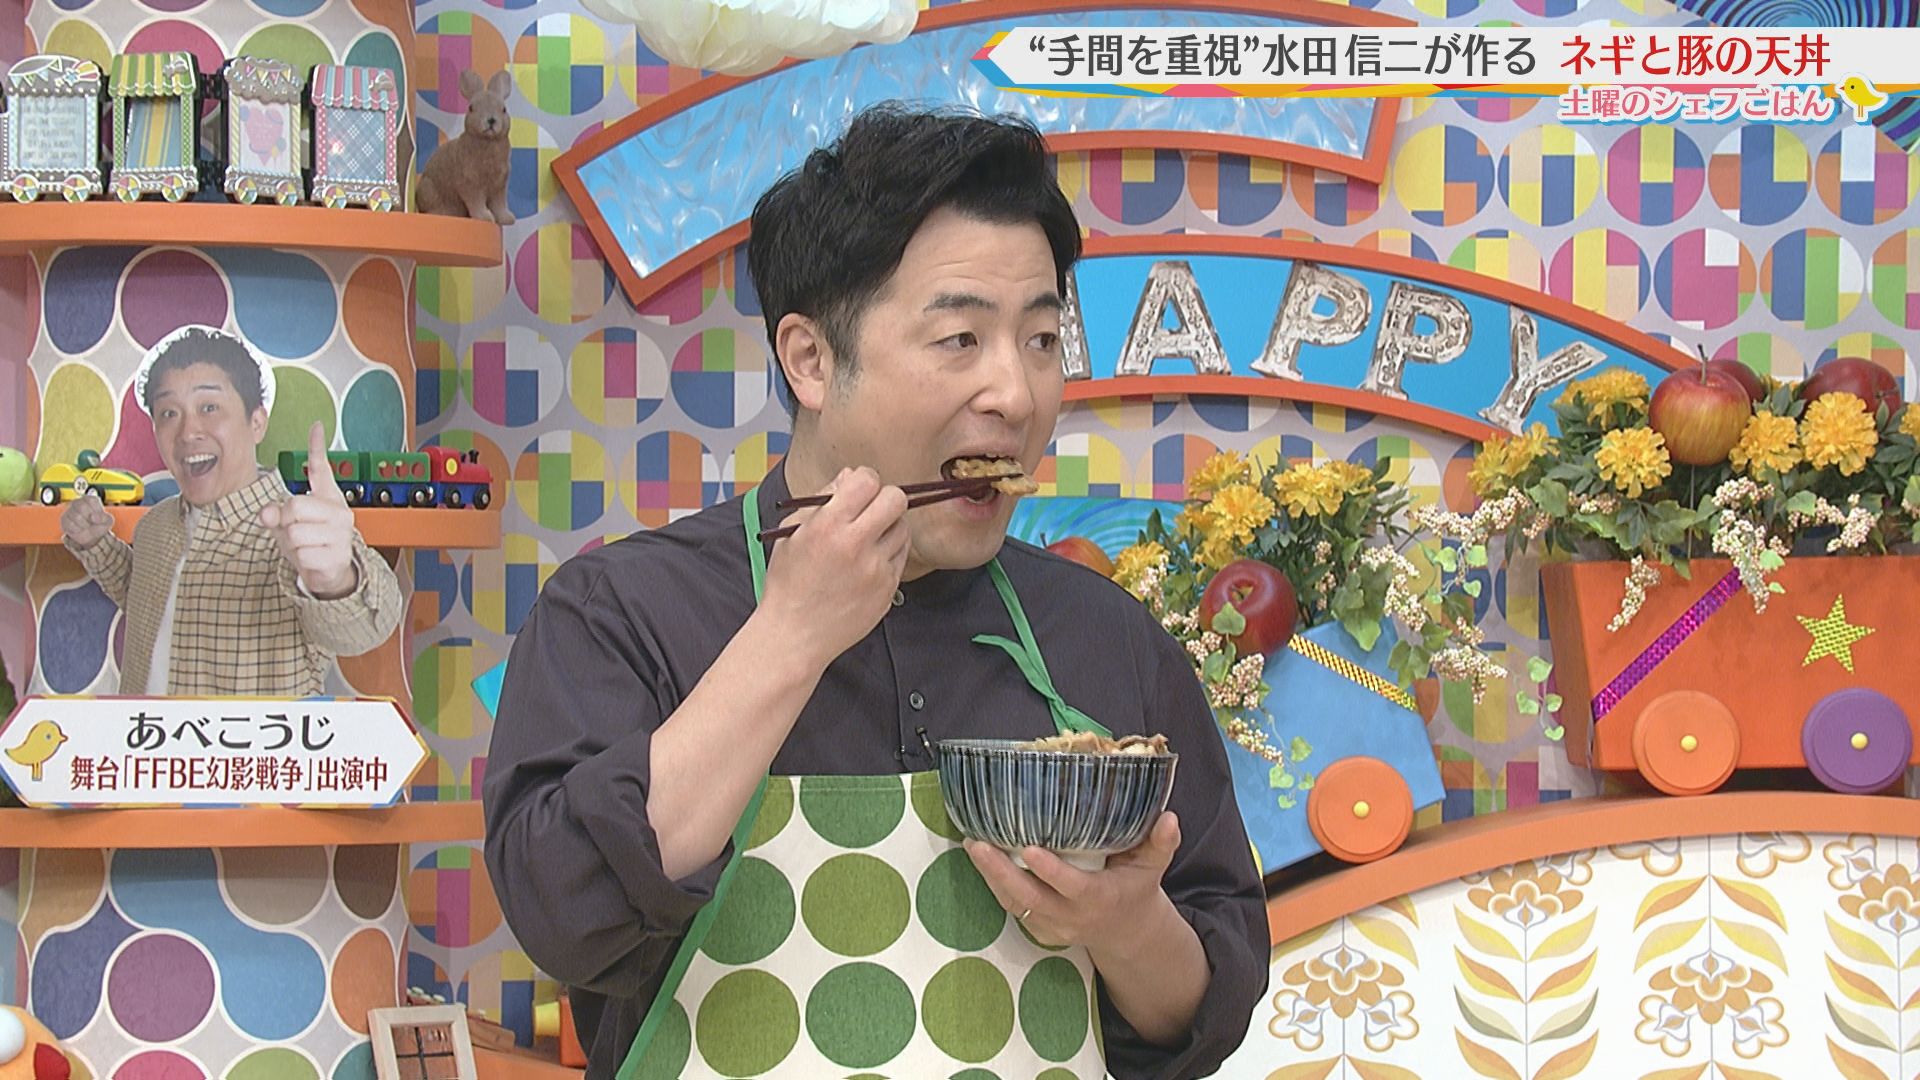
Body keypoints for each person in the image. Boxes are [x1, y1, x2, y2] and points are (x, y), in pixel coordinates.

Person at [484, 103, 1268, 1079]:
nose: (1016, 394)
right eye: (960, 339)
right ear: (811, 360)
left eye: (1040, 340)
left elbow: (1206, 1011)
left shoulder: (1105, 637)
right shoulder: (620, 612)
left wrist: (1125, 923)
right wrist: (791, 634)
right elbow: (564, 915)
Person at [61, 325, 402, 696]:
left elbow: (365, 628)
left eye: (209, 407)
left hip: (256, 738)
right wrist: (96, 545)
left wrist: (336, 582)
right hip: (147, 735)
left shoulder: (297, 533)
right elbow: (148, 598)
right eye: (169, 413)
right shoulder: (154, 525)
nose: (188, 432)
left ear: (256, 422)